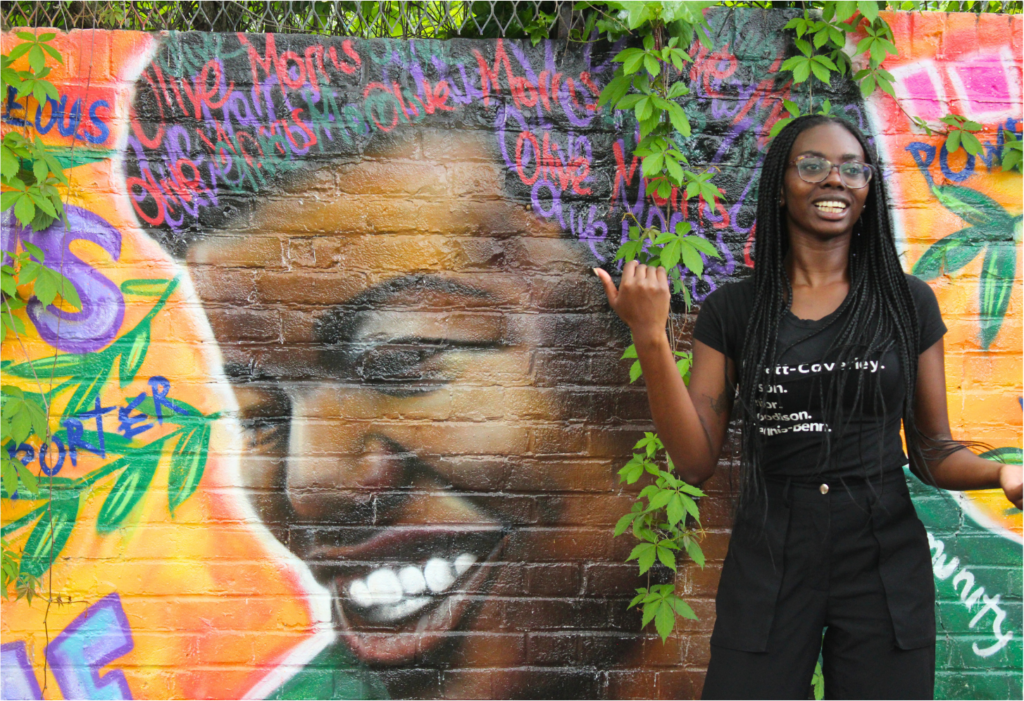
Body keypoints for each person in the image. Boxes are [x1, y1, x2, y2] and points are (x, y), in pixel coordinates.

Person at [594, 114, 1024, 700]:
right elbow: (694, 461)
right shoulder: (735, 310)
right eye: (814, 166)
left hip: (881, 554)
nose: (835, 181)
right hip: (771, 552)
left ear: (868, 189)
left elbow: (931, 450)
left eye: (852, 169)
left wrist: (1001, 473)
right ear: (780, 184)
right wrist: (650, 336)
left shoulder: (907, 304)